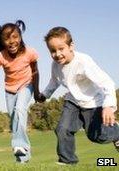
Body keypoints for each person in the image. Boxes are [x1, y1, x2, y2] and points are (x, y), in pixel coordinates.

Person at [37, 26, 119, 165]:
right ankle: (68, 161)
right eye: (52, 51)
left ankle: (116, 133)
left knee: (97, 136)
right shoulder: (55, 65)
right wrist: (45, 94)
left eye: (61, 48)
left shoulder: (84, 62)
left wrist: (109, 106)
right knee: (62, 129)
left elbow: (107, 82)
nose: (57, 54)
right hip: (73, 101)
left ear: (71, 46)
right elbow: (54, 81)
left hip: (93, 103)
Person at [0, 20, 40, 163]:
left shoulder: (30, 52)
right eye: (6, 38)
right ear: (1, 41)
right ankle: (23, 159)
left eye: (15, 37)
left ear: (20, 37)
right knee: (14, 121)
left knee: (19, 110)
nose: (12, 41)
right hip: (10, 90)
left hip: (26, 85)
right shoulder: (0, 56)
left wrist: (36, 91)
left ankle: (20, 145)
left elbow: (35, 72)